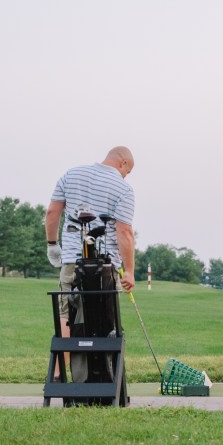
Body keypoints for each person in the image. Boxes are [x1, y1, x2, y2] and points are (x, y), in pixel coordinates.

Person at [45, 146, 136, 381]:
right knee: (105, 317)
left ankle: (57, 374)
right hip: (106, 266)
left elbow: (52, 212)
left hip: (71, 261)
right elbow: (124, 232)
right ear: (123, 163)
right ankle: (106, 378)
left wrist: (52, 244)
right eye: (128, 171)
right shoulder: (123, 188)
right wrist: (130, 272)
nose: (126, 176)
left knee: (66, 315)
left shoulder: (71, 174)